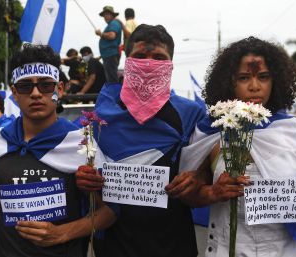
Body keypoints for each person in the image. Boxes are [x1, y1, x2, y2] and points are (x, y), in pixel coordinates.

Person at [0, 44, 116, 257]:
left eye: (45, 85)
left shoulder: (81, 143)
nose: (35, 93)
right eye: (25, 86)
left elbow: (108, 212)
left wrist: (61, 233)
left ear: (59, 90)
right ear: (14, 93)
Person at [76, 24, 207, 257]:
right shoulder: (99, 114)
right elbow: (88, 170)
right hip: (114, 244)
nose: (148, 64)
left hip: (173, 243)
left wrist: (198, 176)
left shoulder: (191, 114)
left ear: (170, 64)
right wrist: (86, 180)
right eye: (139, 57)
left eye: (158, 57)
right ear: (127, 60)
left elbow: (208, 168)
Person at [179, 37, 296, 256]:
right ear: (228, 82)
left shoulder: (294, 132)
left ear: (275, 81)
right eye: (244, 78)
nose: (254, 87)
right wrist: (213, 192)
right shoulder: (212, 131)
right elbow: (187, 195)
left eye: (263, 77)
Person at [95, 6, 122, 83]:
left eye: (107, 14)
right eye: (104, 15)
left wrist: (100, 34)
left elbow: (111, 36)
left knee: (112, 78)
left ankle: (114, 94)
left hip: (111, 55)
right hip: (108, 55)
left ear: (112, 15)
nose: (105, 16)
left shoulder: (114, 23)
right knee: (110, 77)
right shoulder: (111, 24)